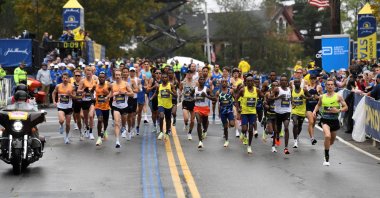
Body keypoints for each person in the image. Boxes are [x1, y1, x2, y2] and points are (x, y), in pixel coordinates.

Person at [313, 78, 348, 166]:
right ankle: (326, 157)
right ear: (326, 86)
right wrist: (314, 111)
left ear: (334, 86)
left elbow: (346, 107)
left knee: (331, 141)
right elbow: (318, 104)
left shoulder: (338, 96)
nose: (330, 86)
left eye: (332, 85)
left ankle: (326, 146)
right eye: (328, 85)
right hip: (325, 120)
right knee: (327, 136)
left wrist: (338, 110)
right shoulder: (322, 96)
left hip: (335, 121)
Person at [111, 69, 134, 148]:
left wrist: (125, 93)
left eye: (118, 75)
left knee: (123, 122)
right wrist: (111, 96)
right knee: (117, 123)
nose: (117, 76)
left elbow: (132, 94)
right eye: (116, 75)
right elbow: (111, 94)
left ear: (121, 76)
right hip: (115, 106)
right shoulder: (112, 85)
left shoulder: (126, 84)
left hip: (124, 107)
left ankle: (124, 127)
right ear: (114, 76)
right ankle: (117, 141)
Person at [237, 76, 259, 154]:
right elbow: (236, 99)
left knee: (250, 130)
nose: (249, 82)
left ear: (253, 82)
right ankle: (243, 133)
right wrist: (238, 108)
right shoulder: (243, 90)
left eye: (251, 81)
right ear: (245, 82)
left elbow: (263, 96)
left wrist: (265, 102)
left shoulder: (256, 90)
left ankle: (249, 146)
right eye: (248, 81)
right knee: (244, 129)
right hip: (244, 112)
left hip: (252, 112)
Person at [52, 73, 74, 144]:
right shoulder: (58, 86)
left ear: (68, 79)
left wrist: (70, 94)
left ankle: (66, 137)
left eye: (66, 78)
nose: (65, 79)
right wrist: (54, 101)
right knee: (61, 120)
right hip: (60, 106)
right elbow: (53, 93)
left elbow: (75, 96)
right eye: (64, 78)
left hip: (69, 107)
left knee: (68, 124)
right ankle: (61, 125)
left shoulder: (72, 86)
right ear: (62, 79)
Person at [194, 76, 215, 149]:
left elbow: (214, 98)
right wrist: (193, 99)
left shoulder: (207, 89)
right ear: (198, 81)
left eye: (203, 79)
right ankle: (200, 141)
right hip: (197, 108)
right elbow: (189, 97)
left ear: (205, 81)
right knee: (199, 122)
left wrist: (206, 95)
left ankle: (205, 130)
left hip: (205, 109)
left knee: (205, 124)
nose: (202, 80)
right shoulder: (195, 89)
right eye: (200, 79)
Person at [153, 73, 177, 140]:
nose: (164, 79)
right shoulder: (159, 86)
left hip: (169, 105)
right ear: (161, 78)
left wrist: (171, 92)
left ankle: (167, 132)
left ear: (168, 78)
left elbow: (176, 95)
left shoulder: (171, 85)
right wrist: (151, 98)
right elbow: (156, 93)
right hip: (161, 104)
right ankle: (161, 132)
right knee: (161, 116)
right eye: (163, 77)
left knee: (168, 119)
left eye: (165, 77)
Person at [272, 75, 292, 154]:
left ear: (287, 82)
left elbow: (290, 98)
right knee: (277, 130)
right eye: (282, 80)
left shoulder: (289, 89)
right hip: (278, 112)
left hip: (287, 111)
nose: (283, 82)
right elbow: (270, 98)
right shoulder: (277, 89)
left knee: (286, 128)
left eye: (285, 80)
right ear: (280, 82)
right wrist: (279, 97)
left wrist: (292, 102)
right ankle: (276, 139)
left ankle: (286, 148)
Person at [78, 66, 98, 140]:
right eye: (87, 72)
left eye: (90, 71)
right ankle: (86, 128)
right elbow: (78, 90)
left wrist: (94, 89)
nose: (88, 73)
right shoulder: (82, 81)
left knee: (91, 115)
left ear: (92, 73)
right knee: (86, 118)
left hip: (92, 100)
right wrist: (83, 90)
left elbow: (98, 89)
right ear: (85, 73)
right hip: (84, 101)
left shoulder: (95, 81)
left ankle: (91, 132)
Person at [291, 78, 311, 149]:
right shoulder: (292, 91)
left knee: (299, 126)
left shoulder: (304, 90)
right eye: (295, 82)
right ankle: (295, 141)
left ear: (300, 83)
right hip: (294, 111)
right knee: (295, 124)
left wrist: (304, 97)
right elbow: (290, 98)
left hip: (302, 111)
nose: (297, 83)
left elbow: (310, 97)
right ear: (294, 84)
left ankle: (297, 135)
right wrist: (292, 102)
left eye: (298, 82)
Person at [216, 78, 235, 147]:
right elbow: (218, 103)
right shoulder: (218, 92)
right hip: (222, 111)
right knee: (225, 127)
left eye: (225, 82)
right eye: (223, 82)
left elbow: (235, 98)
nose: (224, 83)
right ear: (221, 83)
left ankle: (230, 122)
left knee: (232, 124)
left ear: (227, 83)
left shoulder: (231, 91)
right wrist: (219, 113)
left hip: (229, 111)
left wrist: (236, 106)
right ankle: (226, 140)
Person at [94, 72, 112, 146]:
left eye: (103, 77)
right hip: (98, 106)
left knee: (106, 122)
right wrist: (92, 97)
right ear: (98, 78)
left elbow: (112, 93)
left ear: (105, 78)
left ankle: (104, 131)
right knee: (100, 119)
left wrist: (107, 93)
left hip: (106, 107)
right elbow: (91, 92)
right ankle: (99, 138)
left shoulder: (108, 85)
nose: (101, 78)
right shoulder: (95, 86)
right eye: (100, 77)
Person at [179, 70, 196, 140]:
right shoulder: (183, 82)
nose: (189, 75)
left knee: (192, 121)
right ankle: (186, 124)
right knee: (186, 119)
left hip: (193, 102)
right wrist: (180, 96)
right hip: (185, 101)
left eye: (190, 73)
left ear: (192, 74)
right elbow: (180, 90)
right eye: (188, 73)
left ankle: (189, 133)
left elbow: (198, 91)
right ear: (186, 74)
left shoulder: (195, 82)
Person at [305, 74, 322, 144]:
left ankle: (311, 133)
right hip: (308, 106)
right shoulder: (306, 87)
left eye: (314, 78)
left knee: (313, 123)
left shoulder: (318, 87)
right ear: (309, 79)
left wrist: (317, 96)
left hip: (315, 107)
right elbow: (303, 96)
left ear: (315, 79)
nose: (312, 80)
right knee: (311, 122)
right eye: (311, 78)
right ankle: (312, 138)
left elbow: (322, 96)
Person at [264, 81, 279, 152]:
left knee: (276, 131)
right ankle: (267, 129)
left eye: (277, 85)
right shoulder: (268, 94)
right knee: (270, 131)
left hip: (277, 114)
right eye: (274, 86)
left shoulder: (280, 94)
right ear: (271, 86)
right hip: (270, 114)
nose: (275, 87)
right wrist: (266, 105)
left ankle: (273, 146)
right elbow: (264, 102)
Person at [126, 67, 139, 139]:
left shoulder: (135, 80)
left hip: (133, 98)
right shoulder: (125, 79)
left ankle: (132, 128)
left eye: (133, 71)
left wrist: (130, 90)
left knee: (133, 116)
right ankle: (128, 129)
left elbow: (137, 90)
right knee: (128, 116)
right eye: (131, 71)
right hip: (126, 99)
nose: (132, 72)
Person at [147, 68, 161, 133]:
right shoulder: (152, 80)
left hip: (160, 98)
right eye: (157, 73)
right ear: (154, 74)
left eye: (159, 73)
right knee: (154, 113)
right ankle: (154, 125)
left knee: (159, 112)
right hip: (152, 98)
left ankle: (158, 124)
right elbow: (147, 90)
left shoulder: (163, 80)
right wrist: (154, 86)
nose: (158, 74)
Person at [72, 69, 84, 140]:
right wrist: (74, 95)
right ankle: (81, 132)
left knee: (83, 115)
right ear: (74, 76)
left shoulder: (84, 83)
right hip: (76, 102)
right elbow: (72, 94)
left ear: (81, 76)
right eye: (76, 76)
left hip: (83, 102)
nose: (77, 77)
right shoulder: (72, 85)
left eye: (78, 75)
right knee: (78, 119)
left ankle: (85, 126)